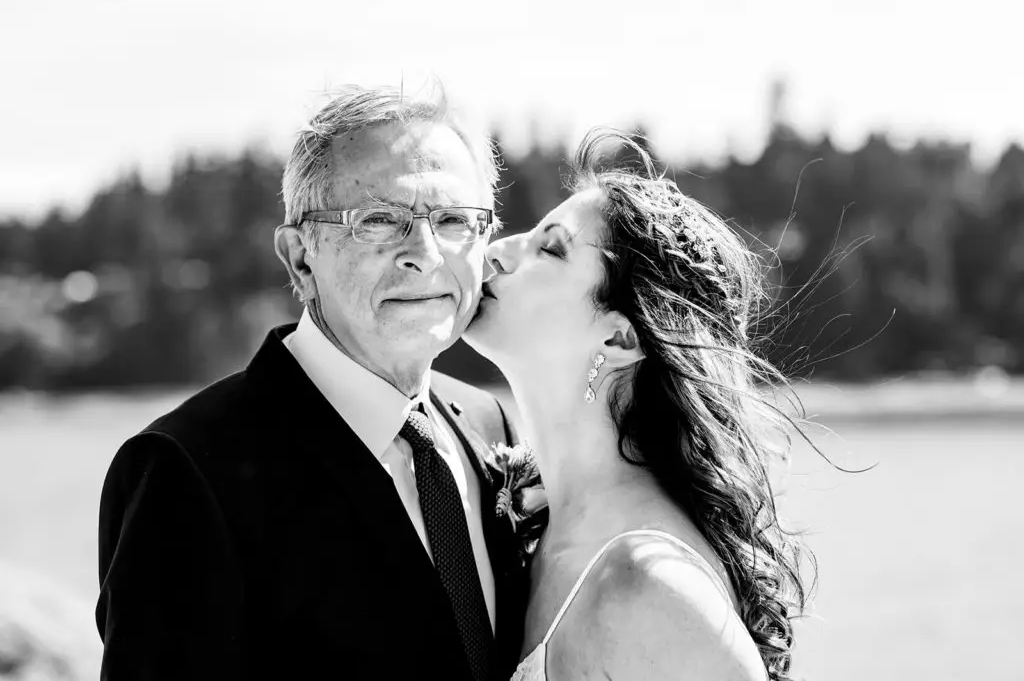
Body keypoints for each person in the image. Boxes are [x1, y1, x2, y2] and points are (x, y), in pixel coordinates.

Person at [96, 84, 529, 681]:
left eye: (455, 220)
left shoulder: (489, 424)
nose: (425, 254)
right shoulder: (185, 470)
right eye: (380, 220)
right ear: (300, 257)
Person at [464, 129, 813, 681]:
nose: (499, 251)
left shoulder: (647, 585)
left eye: (549, 248)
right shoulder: (529, 530)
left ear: (620, 340)